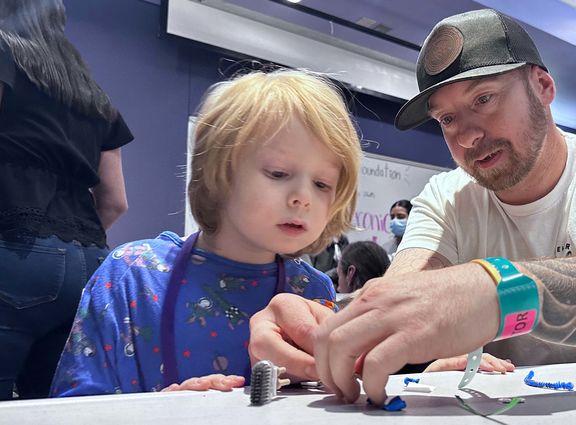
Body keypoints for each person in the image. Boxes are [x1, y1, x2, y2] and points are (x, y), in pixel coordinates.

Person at [249, 9, 576, 405]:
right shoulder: (446, 198)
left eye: (483, 99)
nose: (466, 134)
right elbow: (401, 294)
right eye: (446, 119)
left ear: (543, 88)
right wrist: (316, 329)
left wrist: (497, 292)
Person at [49, 68, 362, 397]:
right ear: (218, 172)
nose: (303, 197)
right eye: (278, 173)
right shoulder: (132, 275)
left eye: (322, 184)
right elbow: (73, 403)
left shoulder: (312, 289)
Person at [0, 0, 133, 400]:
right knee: (50, 405)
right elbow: (115, 201)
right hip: (90, 264)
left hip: (15, 249)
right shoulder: (92, 94)